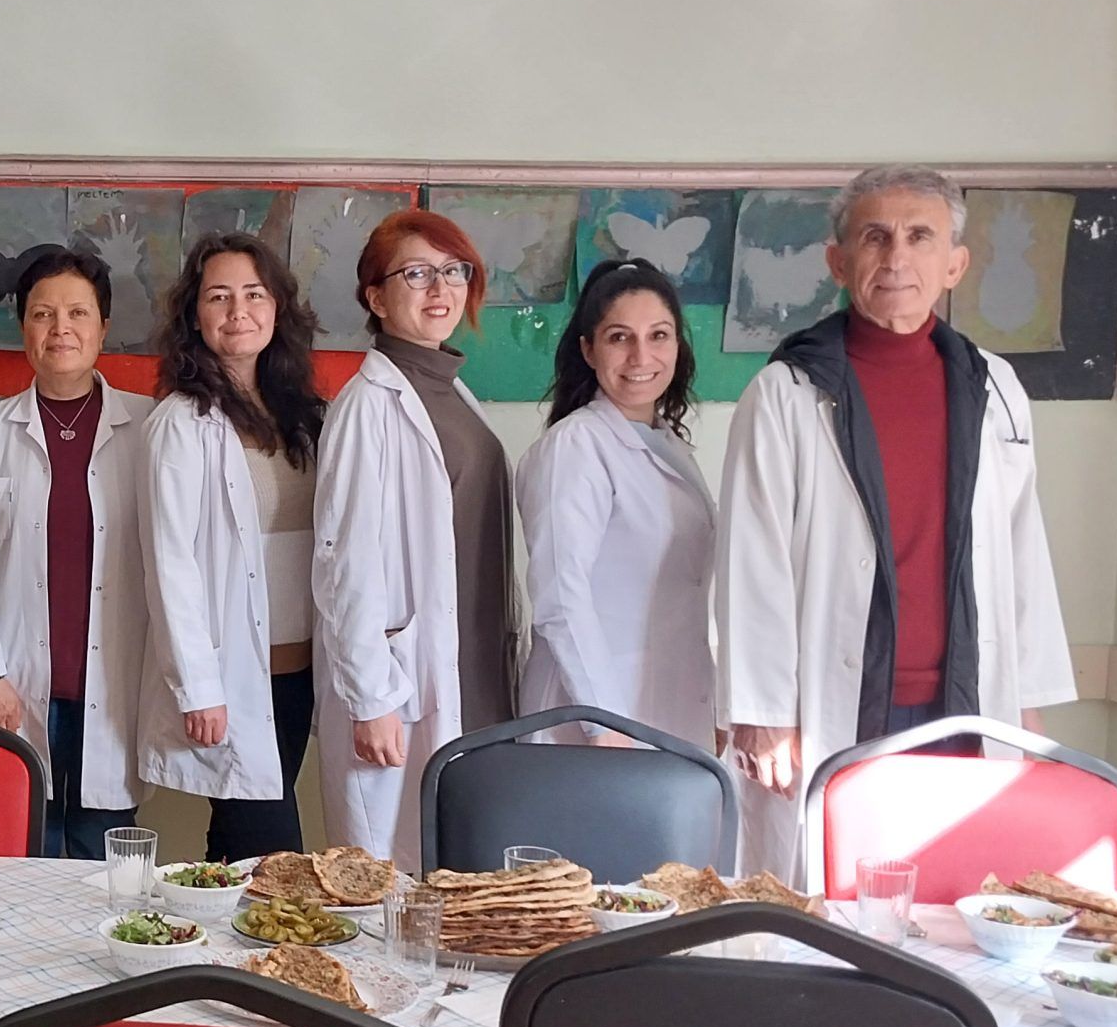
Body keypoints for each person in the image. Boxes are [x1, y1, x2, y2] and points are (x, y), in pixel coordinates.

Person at [715, 164, 1074, 882]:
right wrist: (761, 708)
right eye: (875, 237)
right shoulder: (786, 391)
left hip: (966, 699)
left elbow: (1021, 547)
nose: (896, 257)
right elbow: (752, 558)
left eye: (919, 236)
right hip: (833, 702)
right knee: (832, 895)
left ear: (955, 265)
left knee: (953, 890)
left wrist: (1026, 700)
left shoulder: (996, 388)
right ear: (838, 262)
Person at [312, 209, 517, 861]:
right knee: (396, 878)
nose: (441, 288)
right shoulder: (367, 406)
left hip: (475, 671)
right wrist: (370, 699)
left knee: (470, 875)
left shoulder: (453, 392)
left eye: (454, 271)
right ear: (376, 297)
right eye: (417, 274)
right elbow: (343, 564)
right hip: (404, 685)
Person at [0, 244, 152, 858]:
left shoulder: (149, 427)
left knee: (103, 863)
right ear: (23, 328)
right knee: (16, 853)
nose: (61, 329)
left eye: (78, 313)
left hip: (115, 683)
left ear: (103, 327)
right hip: (13, 683)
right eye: (42, 314)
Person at [139, 231, 325, 862]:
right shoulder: (180, 424)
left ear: (277, 308)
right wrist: (198, 688)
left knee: (240, 846)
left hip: (300, 674)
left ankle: (210, 928)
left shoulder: (305, 416)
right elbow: (170, 565)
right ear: (195, 316)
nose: (238, 310)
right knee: (273, 851)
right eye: (219, 296)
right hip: (234, 675)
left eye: (254, 294)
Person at [513, 256, 716, 746]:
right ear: (588, 349)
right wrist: (604, 722)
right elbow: (561, 597)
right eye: (619, 337)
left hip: (665, 702)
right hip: (595, 717)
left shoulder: (667, 444)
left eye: (658, 335)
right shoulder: (576, 446)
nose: (641, 357)